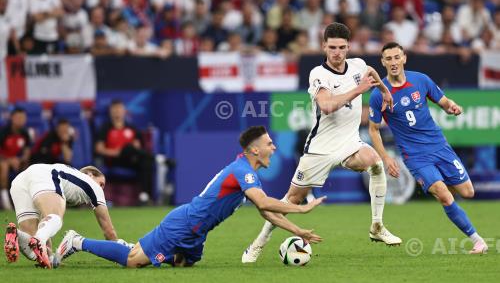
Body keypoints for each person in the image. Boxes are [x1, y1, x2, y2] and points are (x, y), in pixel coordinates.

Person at [241, 22, 401, 264]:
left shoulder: (357, 65)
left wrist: (385, 90)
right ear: (324, 47)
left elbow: (370, 71)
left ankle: (377, 226)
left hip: (350, 142)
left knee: (375, 163)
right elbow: (326, 105)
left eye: (342, 47)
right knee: (291, 200)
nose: (337, 52)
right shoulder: (319, 74)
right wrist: (360, 90)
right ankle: (258, 243)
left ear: (348, 47)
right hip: (321, 148)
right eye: (332, 47)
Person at [55, 126, 324, 268]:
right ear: (254, 150)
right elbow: (265, 204)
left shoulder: (246, 172)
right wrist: (301, 209)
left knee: (185, 263)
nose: (274, 147)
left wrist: (297, 229)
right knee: (134, 262)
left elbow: (265, 211)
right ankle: (77, 242)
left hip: (197, 232)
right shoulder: (242, 171)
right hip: (184, 223)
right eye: (269, 144)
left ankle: (139, 247)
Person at [368, 42, 488, 254]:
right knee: (443, 194)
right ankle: (478, 240)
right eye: (389, 59)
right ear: (383, 62)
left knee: (467, 192)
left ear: (404, 58)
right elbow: (374, 130)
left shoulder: (420, 80)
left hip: (439, 146)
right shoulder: (379, 94)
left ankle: (438, 189)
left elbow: (443, 101)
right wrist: (386, 158)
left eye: (397, 57)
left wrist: (452, 106)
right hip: (415, 156)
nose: (394, 62)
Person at [4, 164, 119, 268]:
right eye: (101, 183)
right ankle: (39, 239)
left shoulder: (68, 178)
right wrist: (119, 253)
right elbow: (109, 231)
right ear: (89, 174)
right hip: (43, 175)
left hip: (20, 180)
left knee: (32, 247)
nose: (101, 188)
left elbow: (44, 220)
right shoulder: (94, 187)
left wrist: (50, 257)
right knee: (55, 218)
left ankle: (16, 234)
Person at [95, 99, 154, 205]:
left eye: (119, 109)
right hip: (113, 160)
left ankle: (144, 196)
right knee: (128, 148)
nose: (117, 111)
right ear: (110, 111)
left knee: (146, 161)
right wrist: (117, 152)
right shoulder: (105, 128)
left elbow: (138, 146)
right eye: (115, 109)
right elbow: (99, 148)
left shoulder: (131, 127)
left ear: (124, 111)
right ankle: (158, 158)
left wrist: (134, 148)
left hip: (129, 160)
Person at [0, 107, 31, 210]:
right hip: (4, 160)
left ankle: (28, 201)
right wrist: (10, 160)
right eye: (18, 117)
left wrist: (21, 159)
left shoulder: (25, 133)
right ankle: (5, 202)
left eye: (23, 118)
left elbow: (27, 151)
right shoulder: (3, 132)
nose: (21, 120)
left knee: (31, 169)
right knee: (3, 167)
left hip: (18, 161)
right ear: (12, 118)